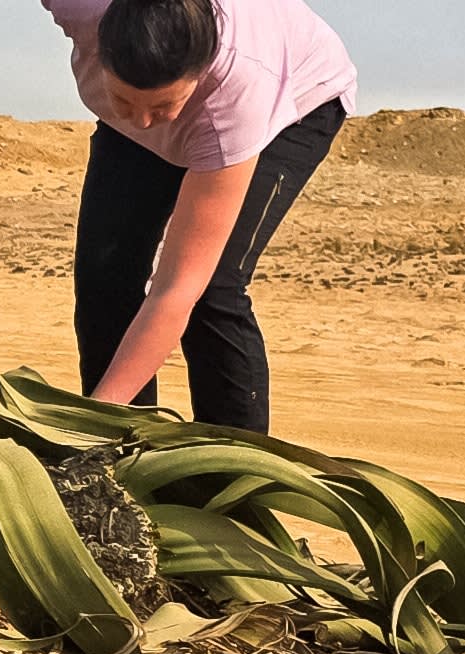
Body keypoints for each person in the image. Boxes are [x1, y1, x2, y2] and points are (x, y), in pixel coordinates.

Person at [48, 0, 353, 433]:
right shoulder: (81, 6)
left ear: (199, 76)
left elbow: (176, 290)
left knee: (212, 289)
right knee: (106, 273)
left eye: (163, 108)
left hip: (297, 99)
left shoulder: (238, 95)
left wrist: (95, 413)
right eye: (122, 100)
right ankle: (117, 446)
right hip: (176, 87)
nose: (144, 123)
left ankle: (231, 463)